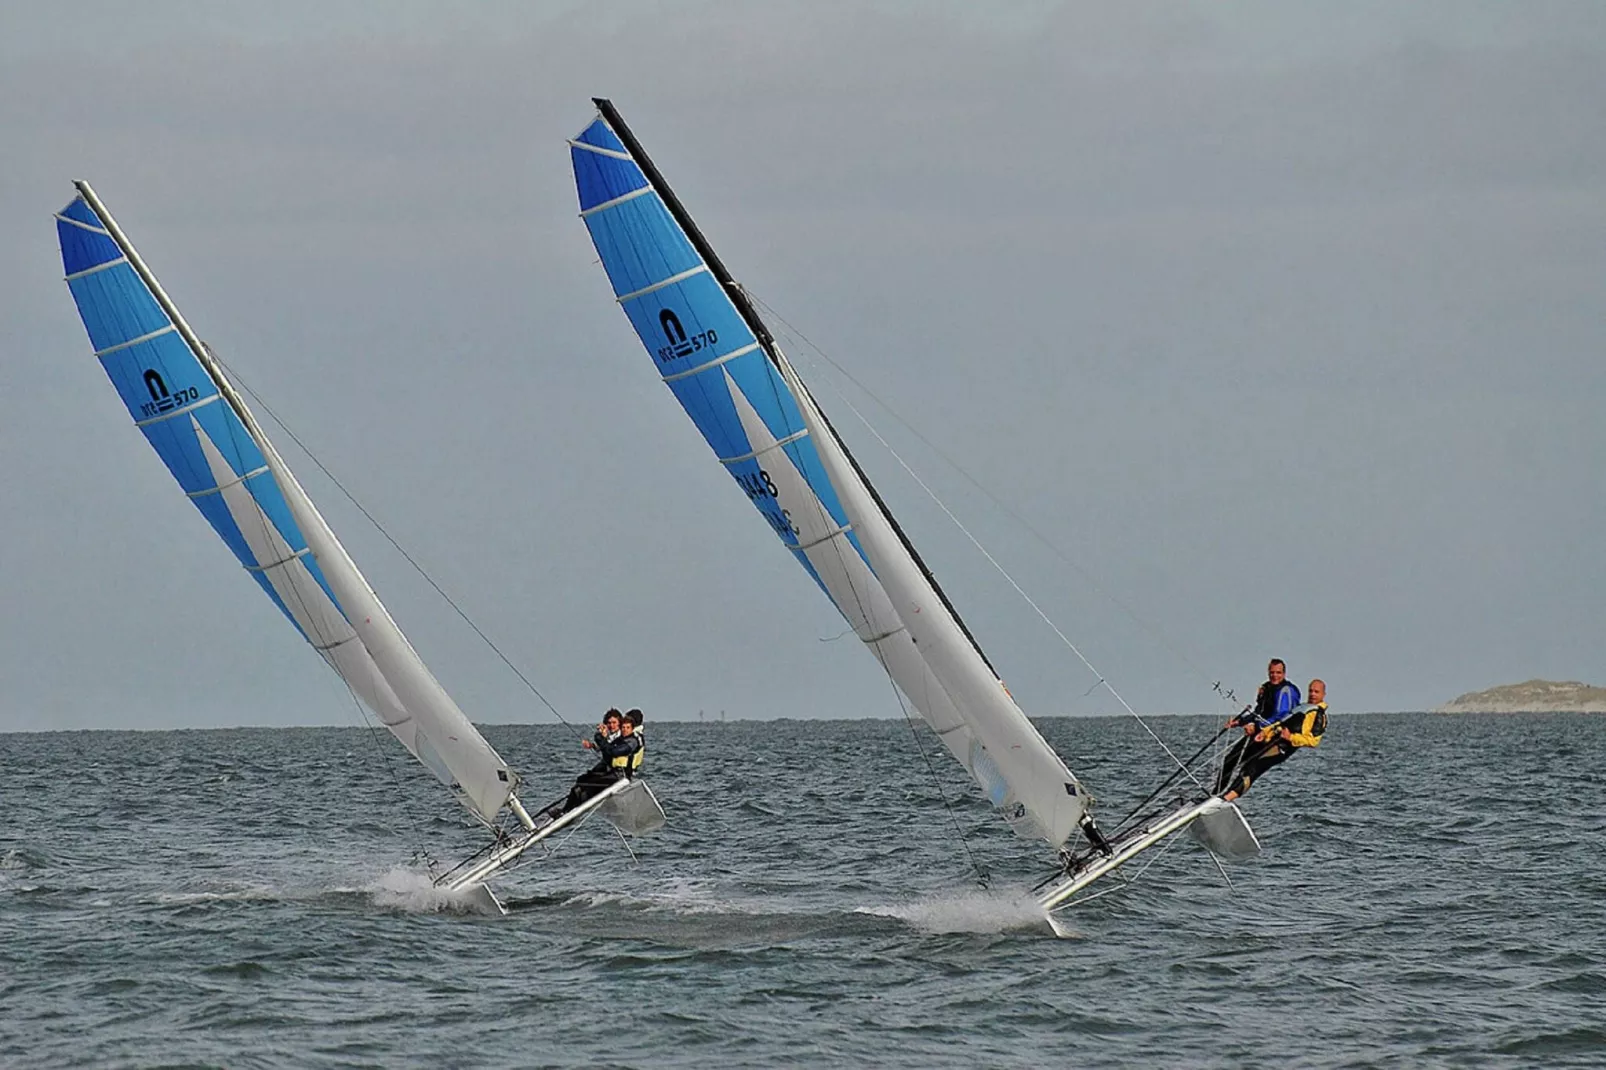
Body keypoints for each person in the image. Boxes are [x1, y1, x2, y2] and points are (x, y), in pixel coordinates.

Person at [1220, 678, 1327, 802]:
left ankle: (1226, 799)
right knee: (1237, 761)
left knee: (1253, 767)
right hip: (1271, 739)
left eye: (1316, 692)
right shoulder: (1302, 707)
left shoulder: (1319, 715)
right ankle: (1217, 794)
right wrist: (1264, 732)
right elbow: (1280, 723)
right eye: (1311, 691)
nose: (1313, 694)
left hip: (1282, 747)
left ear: (1323, 694)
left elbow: (1313, 741)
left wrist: (1290, 737)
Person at [533, 709, 642, 826]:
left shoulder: (633, 740)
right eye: (623, 727)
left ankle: (567, 811)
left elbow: (612, 751)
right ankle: (567, 810)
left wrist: (600, 738)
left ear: (632, 726)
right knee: (581, 781)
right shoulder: (623, 738)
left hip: (620, 775)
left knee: (584, 784)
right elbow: (608, 748)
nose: (624, 729)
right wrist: (596, 743)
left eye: (626, 727)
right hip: (613, 772)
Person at [1214, 659, 1302, 795]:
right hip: (1259, 733)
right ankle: (1216, 794)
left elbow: (1281, 716)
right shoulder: (1266, 688)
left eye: (1278, 673)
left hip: (1274, 738)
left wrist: (1256, 726)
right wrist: (1239, 722)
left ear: (1284, 674)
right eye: (1272, 672)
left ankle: (1227, 796)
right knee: (1230, 760)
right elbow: (1259, 712)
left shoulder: (1286, 690)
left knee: (1249, 768)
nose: (1275, 676)